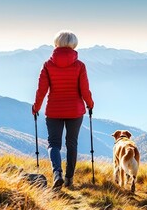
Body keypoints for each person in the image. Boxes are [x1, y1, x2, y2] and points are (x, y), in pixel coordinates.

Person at [32, 30, 94, 189]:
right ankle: (69, 179)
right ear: (74, 45)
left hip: (54, 110)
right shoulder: (80, 66)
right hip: (75, 111)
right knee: (72, 143)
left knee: (54, 144)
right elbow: (84, 90)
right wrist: (90, 104)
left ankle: (57, 173)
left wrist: (36, 107)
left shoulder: (48, 65)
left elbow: (41, 90)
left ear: (56, 43)